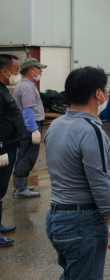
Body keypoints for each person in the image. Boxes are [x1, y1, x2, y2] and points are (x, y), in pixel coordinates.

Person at [44, 66, 110, 280]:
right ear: (98, 94)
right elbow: (99, 182)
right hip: (82, 224)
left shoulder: (56, 125)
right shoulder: (91, 130)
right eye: (106, 90)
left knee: (72, 276)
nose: (108, 95)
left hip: (57, 218)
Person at [12, 58, 47, 198]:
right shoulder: (27, 88)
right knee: (28, 156)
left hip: (26, 125)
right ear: (31, 71)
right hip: (30, 126)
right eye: (39, 69)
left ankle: (20, 186)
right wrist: (33, 129)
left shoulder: (23, 85)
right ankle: (21, 190)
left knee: (22, 155)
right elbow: (28, 111)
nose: (41, 71)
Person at [0, 54, 23, 248]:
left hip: (10, 146)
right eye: (16, 71)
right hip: (3, 149)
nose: (17, 74)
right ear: (4, 72)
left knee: (1, 189)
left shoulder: (4, 89)